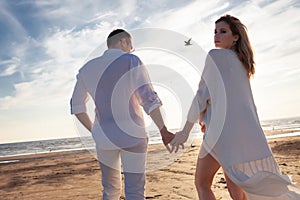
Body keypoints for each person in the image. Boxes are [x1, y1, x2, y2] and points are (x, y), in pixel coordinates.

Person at [170, 15, 300, 199]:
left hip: (219, 134)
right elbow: (245, 104)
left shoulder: (215, 56)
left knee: (202, 183)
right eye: (215, 31)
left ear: (235, 37)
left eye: (223, 31)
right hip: (241, 135)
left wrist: (185, 131)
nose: (217, 35)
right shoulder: (243, 63)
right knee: (237, 191)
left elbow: (202, 96)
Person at [70, 29, 174, 200]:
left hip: (104, 138)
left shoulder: (86, 69)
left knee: (110, 188)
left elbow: (77, 107)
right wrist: (163, 130)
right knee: (135, 190)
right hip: (133, 135)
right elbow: (148, 98)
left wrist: (94, 130)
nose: (131, 50)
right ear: (123, 42)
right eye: (130, 46)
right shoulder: (131, 60)